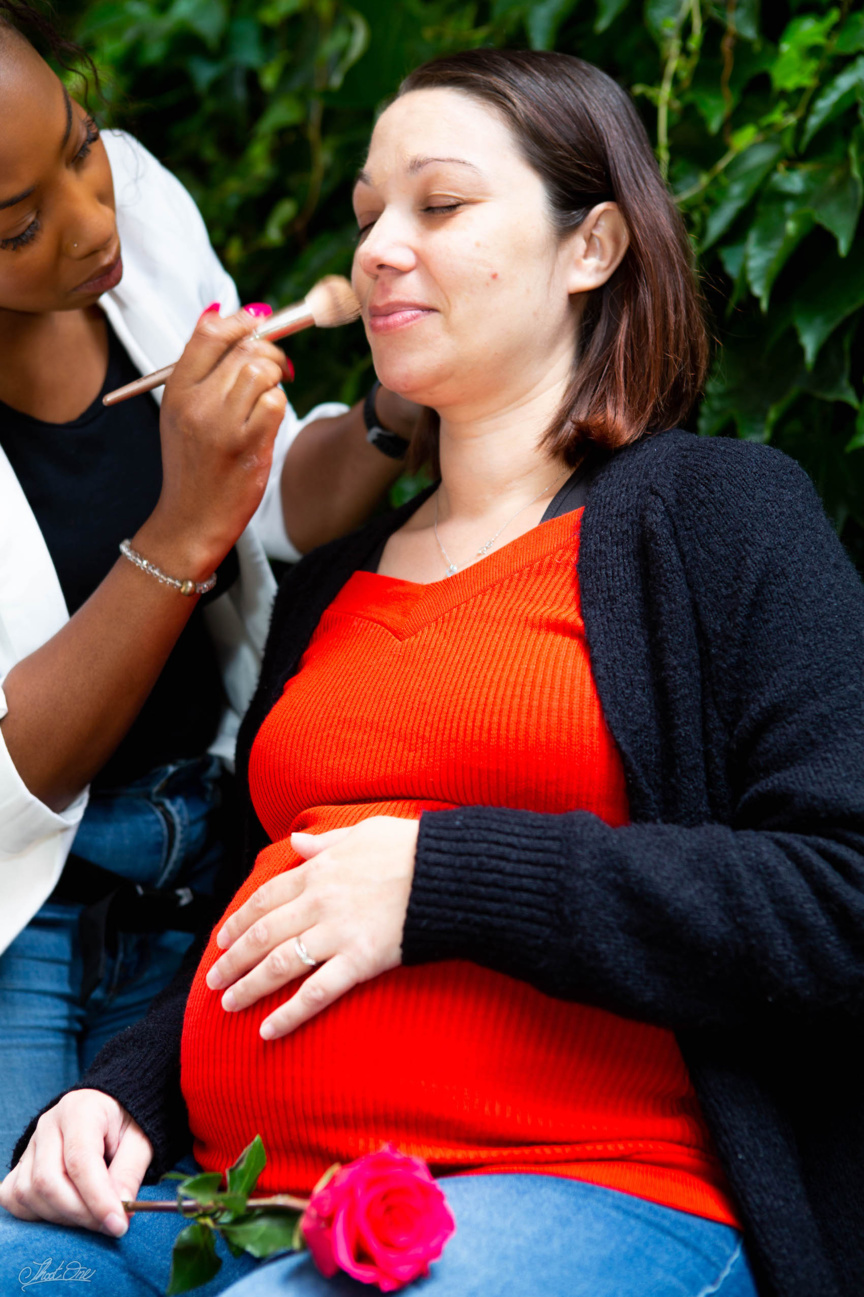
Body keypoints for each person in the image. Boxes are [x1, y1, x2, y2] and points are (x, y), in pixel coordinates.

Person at [3, 46, 864, 1297]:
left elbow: (840, 896)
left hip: (589, 1181)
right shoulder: (327, 582)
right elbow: (256, 909)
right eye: (367, 219)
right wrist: (119, 1088)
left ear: (593, 247)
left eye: (440, 206)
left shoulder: (717, 515)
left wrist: (442, 876)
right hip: (245, 1201)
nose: (378, 250)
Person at [0, 4, 416, 1168]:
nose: (94, 227)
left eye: (81, 145)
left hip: (213, 844)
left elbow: (274, 492)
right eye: (17, 226)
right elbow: (10, 779)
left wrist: (390, 423)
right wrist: (180, 525)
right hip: (28, 909)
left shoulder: (140, 201)